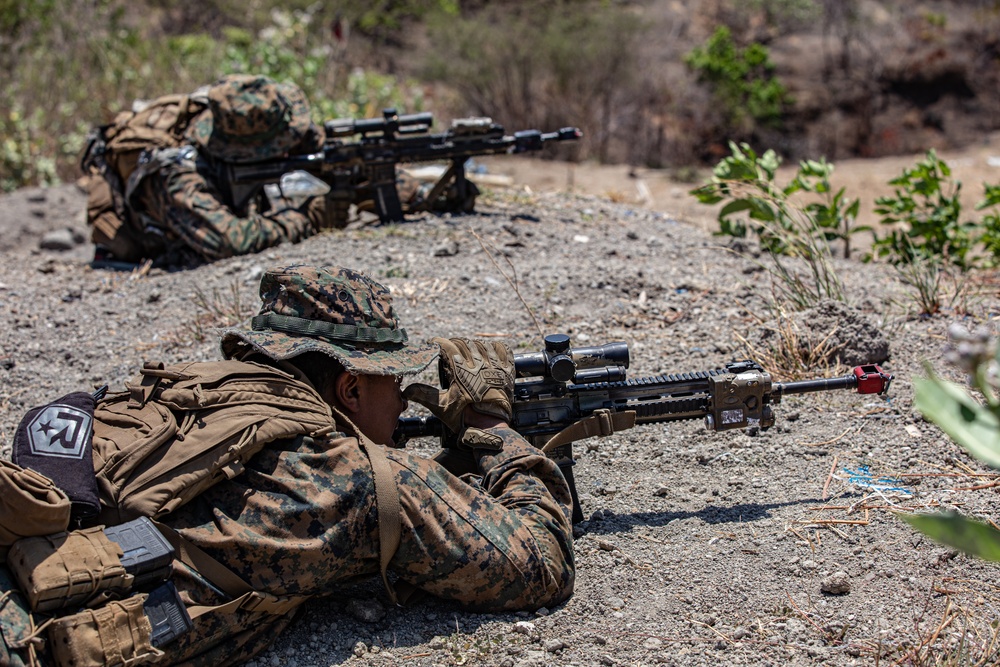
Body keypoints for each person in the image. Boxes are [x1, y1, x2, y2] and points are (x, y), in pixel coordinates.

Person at [0, 264, 575, 666]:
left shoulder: (183, 397)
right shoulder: (355, 482)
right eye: (393, 382)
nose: (402, 401)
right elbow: (541, 565)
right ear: (349, 388)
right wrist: (493, 429)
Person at [81, 75, 437, 267]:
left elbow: (335, 156)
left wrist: (409, 192)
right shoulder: (176, 175)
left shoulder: (254, 124)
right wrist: (308, 218)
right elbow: (230, 240)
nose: (294, 141)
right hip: (147, 240)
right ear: (249, 151)